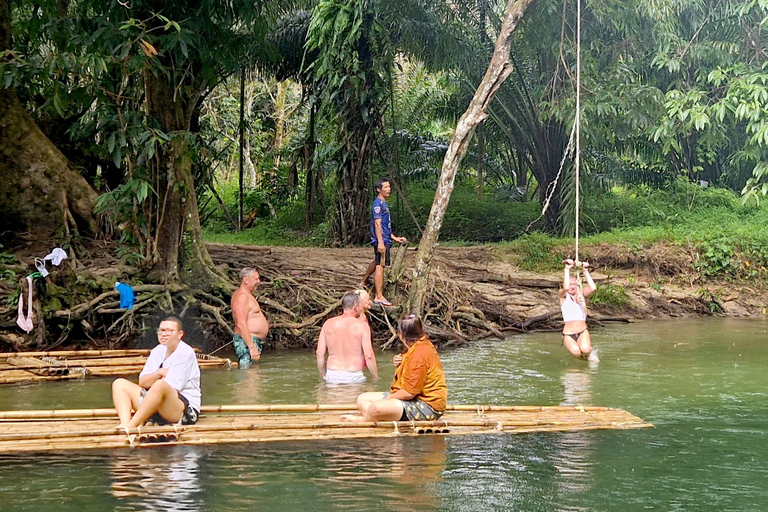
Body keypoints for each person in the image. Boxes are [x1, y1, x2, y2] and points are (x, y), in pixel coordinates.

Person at [342, 314, 447, 422]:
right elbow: (410, 361)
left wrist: (389, 399)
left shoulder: (420, 353)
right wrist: (400, 359)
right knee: (362, 399)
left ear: (401, 336)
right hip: (411, 398)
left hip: (427, 406)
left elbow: (409, 393)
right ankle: (377, 417)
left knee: (376, 408)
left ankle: (365, 420)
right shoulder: (417, 346)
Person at [112, 317, 201, 432]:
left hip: (181, 409)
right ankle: (125, 422)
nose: (164, 334)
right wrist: (158, 373)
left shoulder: (185, 353)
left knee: (160, 385)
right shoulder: (157, 351)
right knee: (119, 384)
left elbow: (171, 387)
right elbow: (143, 382)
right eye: (161, 330)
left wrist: (156, 381)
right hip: (154, 404)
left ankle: (131, 426)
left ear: (180, 334)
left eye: (169, 331)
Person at [360, 178, 407, 306]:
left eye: (389, 187)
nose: (389, 189)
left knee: (377, 261)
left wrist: (394, 237)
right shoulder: (377, 204)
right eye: (385, 187)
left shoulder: (383, 203)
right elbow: (377, 224)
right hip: (382, 241)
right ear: (378, 189)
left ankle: (363, 281)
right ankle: (378, 296)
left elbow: (385, 226)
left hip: (386, 238)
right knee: (380, 266)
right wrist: (380, 242)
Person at [316, 291, 378, 384]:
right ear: (356, 307)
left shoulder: (328, 323)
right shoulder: (362, 326)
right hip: (353, 375)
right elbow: (369, 356)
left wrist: (323, 375)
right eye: (360, 305)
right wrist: (376, 378)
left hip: (332, 374)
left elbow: (319, 353)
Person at [560, 259, 598, 361]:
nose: (572, 286)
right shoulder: (563, 296)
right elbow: (566, 287)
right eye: (571, 284)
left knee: (585, 350)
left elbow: (593, 288)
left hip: (582, 331)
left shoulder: (581, 294)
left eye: (574, 284)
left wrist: (585, 271)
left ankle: (588, 357)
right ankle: (584, 362)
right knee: (576, 353)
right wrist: (567, 269)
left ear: (577, 285)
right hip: (568, 334)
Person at [231, 267, 270, 366]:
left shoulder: (246, 295)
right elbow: (241, 323)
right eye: (256, 279)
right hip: (247, 342)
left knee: (252, 375)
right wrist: (252, 347)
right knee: (248, 375)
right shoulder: (242, 297)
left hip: (251, 340)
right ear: (246, 280)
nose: (258, 281)